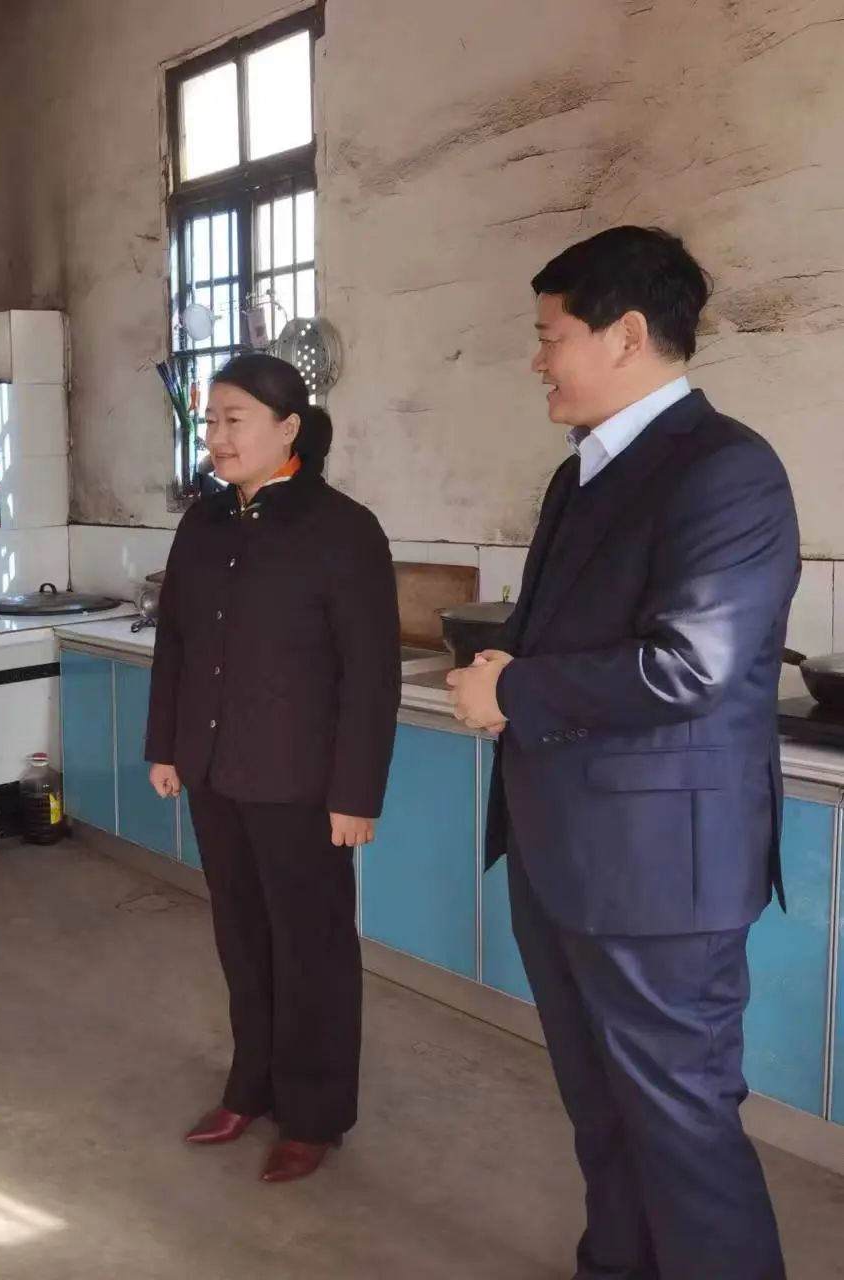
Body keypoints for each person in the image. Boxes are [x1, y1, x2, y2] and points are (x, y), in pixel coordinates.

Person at [449, 226, 796, 1280]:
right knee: (602, 1109)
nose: (537, 360)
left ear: (627, 335)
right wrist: (508, 663)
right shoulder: (583, 475)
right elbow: (570, 631)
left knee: (681, 1127)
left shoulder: (725, 469)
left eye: (550, 336)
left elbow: (693, 663)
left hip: (658, 875)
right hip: (566, 853)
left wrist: (512, 688)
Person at [145, 353, 400, 1184]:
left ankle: (315, 1113)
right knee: (243, 939)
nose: (216, 437)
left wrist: (356, 793)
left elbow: (370, 674)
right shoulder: (205, 522)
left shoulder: (342, 529)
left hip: (302, 784)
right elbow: (176, 642)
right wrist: (166, 745)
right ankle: (250, 1086)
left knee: (311, 949)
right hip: (216, 772)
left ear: (288, 428)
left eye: (234, 420)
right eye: (209, 421)